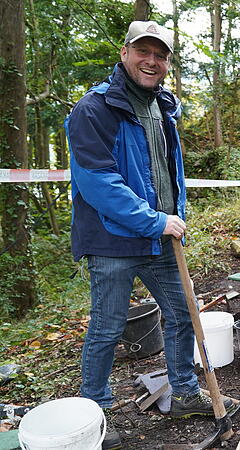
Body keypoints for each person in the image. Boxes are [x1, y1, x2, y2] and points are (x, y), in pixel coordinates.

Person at [67, 21, 228, 450]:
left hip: (161, 239)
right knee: (107, 328)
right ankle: (96, 413)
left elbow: (168, 174)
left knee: (181, 314)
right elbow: (98, 182)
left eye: (160, 55)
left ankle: (185, 396)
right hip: (112, 240)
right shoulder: (94, 109)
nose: (151, 61)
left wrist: (176, 215)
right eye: (144, 51)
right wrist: (154, 219)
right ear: (125, 53)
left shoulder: (164, 107)